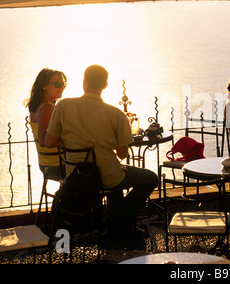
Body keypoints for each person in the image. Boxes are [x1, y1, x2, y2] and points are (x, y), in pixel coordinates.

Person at [45, 65, 158, 240]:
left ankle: (116, 225)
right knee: (150, 178)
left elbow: (50, 141)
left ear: (84, 82)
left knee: (116, 183)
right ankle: (120, 223)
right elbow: (122, 155)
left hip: (76, 175)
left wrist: (73, 142)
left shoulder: (63, 106)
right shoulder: (116, 114)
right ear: (105, 85)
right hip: (107, 175)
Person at [24, 68, 67, 181]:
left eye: (63, 84)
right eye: (57, 84)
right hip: (58, 165)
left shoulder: (36, 106)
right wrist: (69, 142)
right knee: (94, 171)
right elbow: (44, 141)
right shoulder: (47, 108)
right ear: (44, 85)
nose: (62, 87)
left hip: (46, 164)